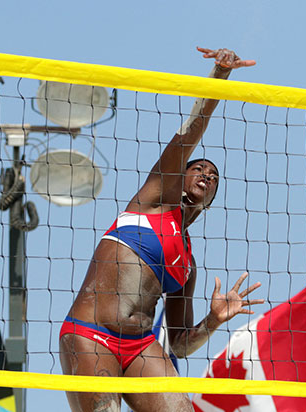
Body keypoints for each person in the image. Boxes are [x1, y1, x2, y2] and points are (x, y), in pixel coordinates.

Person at [59, 47, 262, 412]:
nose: (206, 175)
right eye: (198, 169)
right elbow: (189, 135)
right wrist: (220, 77)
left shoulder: (187, 264)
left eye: (213, 177)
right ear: (179, 177)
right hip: (91, 335)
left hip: (140, 346)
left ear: (210, 200)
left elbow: (181, 343)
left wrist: (213, 321)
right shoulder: (152, 201)